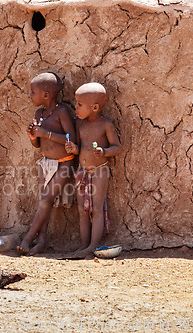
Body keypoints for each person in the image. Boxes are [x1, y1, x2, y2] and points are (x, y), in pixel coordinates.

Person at [17, 72, 76, 255]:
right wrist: (33, 136)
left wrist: (45, 133)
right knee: (46, 202)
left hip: (64, 163)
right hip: (46, 163)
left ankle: (28, 239)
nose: (30, 95)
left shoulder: (62, 112)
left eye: (33, 92)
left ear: (46, 94)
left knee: (45, 199)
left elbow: (71, 139)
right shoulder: (39, 113)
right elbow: (38, 144)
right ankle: (41, 241)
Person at [63, 82, 121, 259]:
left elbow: (117, 147)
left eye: (80, 104)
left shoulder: (106, 125)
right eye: (76, 103)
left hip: (100, 170)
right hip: (82, 171)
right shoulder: (80, 125)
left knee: (96, 208)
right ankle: (84, 245)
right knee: (82, 209)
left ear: (95, 107)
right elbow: (83, 147)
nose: (76, 107)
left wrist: (104, 152)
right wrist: (75, 149)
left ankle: (94, 246)